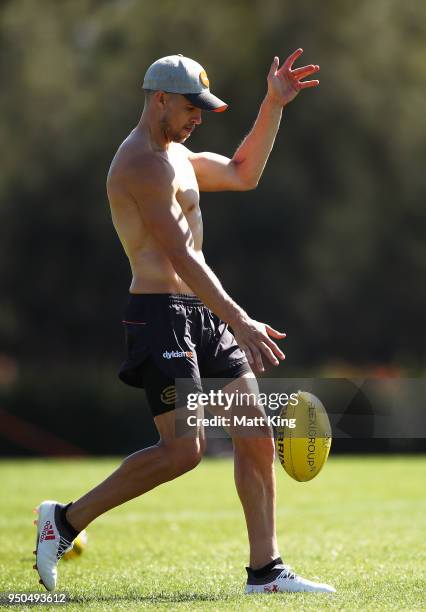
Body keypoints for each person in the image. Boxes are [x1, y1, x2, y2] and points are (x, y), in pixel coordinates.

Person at [34, 51, 335, 595]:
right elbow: (181, 257)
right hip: (160, 318)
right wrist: (240, 319)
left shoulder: (175, 155)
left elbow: (244, 174)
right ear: (160, 100)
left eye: (203, 107)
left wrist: (273, 105)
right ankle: (65, 520)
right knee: (182, 452)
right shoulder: (140, 165)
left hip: (199, 314)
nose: (198, 116)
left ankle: (266, 571)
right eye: (191, 107)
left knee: (255, 436)